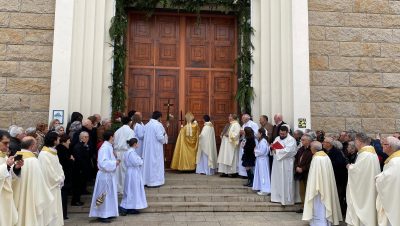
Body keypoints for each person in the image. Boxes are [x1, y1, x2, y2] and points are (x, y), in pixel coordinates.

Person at [13, 136, 54, 226]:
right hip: (31, 197)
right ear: (32, 146)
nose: (37, 145)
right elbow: (39, 183)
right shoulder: (33, 161)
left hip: (17, 196)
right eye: (36, 143)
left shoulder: (15, 158)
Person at [302, 141, 343, 226]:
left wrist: (314, 187)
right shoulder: (326, 156)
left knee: (318, 205)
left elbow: (315, 176)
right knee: (324, 204)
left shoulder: (316, 158)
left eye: (311, 147)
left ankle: (319, 222)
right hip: (326, 187)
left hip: (318, 189)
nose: (310, 149)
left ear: (313, 148)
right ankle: (326, 221)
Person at [346, 132, 380, 226]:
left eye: (355, 141)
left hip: (364, 188)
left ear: (359, 141)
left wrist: (350, 167)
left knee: (362, 207)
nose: (355, 143)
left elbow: (357, 172)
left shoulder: (365, 154)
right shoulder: (372, 153)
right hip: (368, 185)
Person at [89, 130, 120, 223]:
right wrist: (115, 162)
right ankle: (102, 214)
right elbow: (103, 163)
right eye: (113, 136)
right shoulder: (104, 148)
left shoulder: (109, 147)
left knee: (108, 195)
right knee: (103, 195)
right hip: (104, 176)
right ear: (110, 137)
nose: (114, 138)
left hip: (109, 175)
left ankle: (107, 213)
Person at [38, 132, 65, 226]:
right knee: (51, 210)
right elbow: (47, 172)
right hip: (50, 186)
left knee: (56, 208)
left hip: (56, 185)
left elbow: (58, 166)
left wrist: (62, 176)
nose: (59, 140)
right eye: (58, 139)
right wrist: (58, 179)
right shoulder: (44, 154)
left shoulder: (53, 152)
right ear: (54, 140)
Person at [270, 125, 299, 205]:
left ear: (287, 132)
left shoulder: (291, 140)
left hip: (286, 163)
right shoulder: (277, 138)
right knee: (277, 180)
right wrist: (272, 148)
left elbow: (289, 151)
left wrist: (278, 151)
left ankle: (286, 199)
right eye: (280, 133)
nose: (281, 135)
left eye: (283, 134)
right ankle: (276, 197)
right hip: (277, 163)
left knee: (286, 181)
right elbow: (274, 148)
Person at [119, 138, 147, 215]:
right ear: (134, 144)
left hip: (131, 172)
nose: (138, 145)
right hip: (133, 173)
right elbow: (136, 162)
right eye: (137, 143)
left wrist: (139, 160)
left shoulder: (129, 152)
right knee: (132, 189)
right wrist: (141, 160)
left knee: (132, 189)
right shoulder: (131, 153)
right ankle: (128, 207)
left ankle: (132, 206)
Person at [376, 136, 400, 226]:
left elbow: (387, 180)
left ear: (389, 146)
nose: (382, 146)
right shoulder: (396, 159)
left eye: (384, 144)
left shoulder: (394, 161)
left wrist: (378, 178)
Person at [0, 130, 22, 226]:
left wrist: (16, 168)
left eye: (8, 143)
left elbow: (8, 175)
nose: (8, 145)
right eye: (5, 143)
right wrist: (7, 166)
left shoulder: (3, 156)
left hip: (6, 196)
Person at [323, 136, 348, 216]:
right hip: (330, 178)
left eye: (325, 142)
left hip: (337, 178)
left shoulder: (336, 152)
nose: (323, 143)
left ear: (329, 144)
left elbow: (339, 164)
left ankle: (338, 213)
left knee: (337, 196)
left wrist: (327, 163)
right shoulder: (325, 151)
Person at [142, 111, 168, 187]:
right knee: (155, 164)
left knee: (148, 164)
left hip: (148, 149)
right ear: (159, 117)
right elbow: (160, 137)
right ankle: (155, 182)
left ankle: (147, 181)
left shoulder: (147, 125)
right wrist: (165, 137)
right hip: (155, 149)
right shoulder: (158, 125)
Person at [114, 116, 135, 193]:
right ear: (130, 122)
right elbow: (131, 143)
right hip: (126, 152)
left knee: (118, 171)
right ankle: (125, 188)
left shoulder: (117, 131)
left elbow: (114, 142)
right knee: (126, 170)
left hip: (118, 152)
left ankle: (118, 188)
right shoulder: (130, 131)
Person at [294, 134, 314, 213]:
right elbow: (296, 159)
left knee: (308, 191)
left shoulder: (312, 150)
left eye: (303, 140)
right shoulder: (301, 149)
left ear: (309, 141)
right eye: (301, 140)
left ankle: (309, 208)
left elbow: (312, 162)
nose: (301, 141)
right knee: (302, 191)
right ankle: (303, 207)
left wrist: (303, 169)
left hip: (307, 173)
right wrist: (296, 167)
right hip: (300, 173)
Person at [56, 134, 74, 220]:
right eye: (69, 140)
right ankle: (63, 214)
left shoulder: (63, 149)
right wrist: (71, 159)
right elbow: (66, 162)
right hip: (64, 175)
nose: (70, 142)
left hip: (65, 175)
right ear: (65, 141)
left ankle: (63, 213)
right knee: (63, 195)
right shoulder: (62, 150)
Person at [71, 131, 91, 206]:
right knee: (77, 186)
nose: (87, 138)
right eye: (85, 137)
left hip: (83, 168)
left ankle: (77, 200)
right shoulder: (78, 146)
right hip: (79, 169)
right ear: (81, 138)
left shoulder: (84, 145)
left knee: (80, 186)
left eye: (88, 137)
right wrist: (83, 168)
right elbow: (79, 159)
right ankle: (75, 201)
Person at [252, 128, 271, 196]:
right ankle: (262, 188)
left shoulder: (263, 141)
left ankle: (265, 190)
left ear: (261, 133)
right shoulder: (262, 141)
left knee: (263, 174)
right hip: (261, 160)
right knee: (261, 174)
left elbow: (262, 151)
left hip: (262, 160)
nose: (257, 134)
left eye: (258, 133)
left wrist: (255, 150)